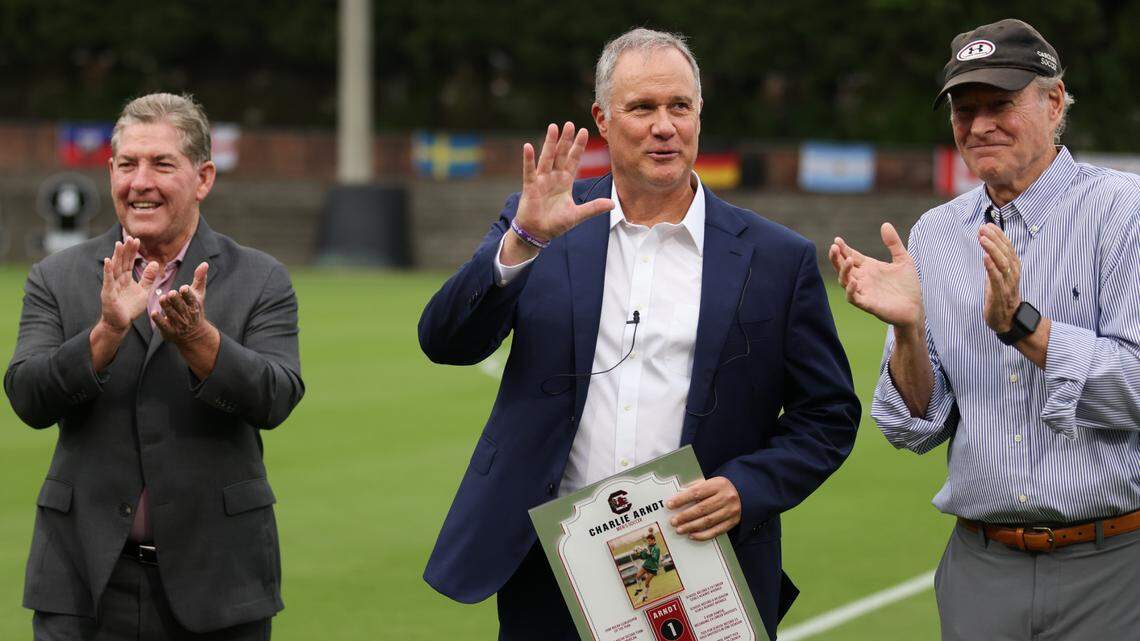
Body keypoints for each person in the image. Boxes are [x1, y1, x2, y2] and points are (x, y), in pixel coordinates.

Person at [420, 28, 859, 640]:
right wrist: (522, 240)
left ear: (700, 114)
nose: (664, 126)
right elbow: (446, 342)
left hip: (700, 563)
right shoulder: (546, 221)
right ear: (602, 118)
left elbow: (829, 414)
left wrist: (746, 487)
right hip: (551, 564)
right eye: (642, 108)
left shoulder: (776, 258)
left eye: (679, 106)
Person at [829, 18, 1140, 640]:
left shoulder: (1123, 210)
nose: (977, 126)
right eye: (963, 110)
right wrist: (910, 334)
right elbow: (914, 427)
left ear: (1054, 103)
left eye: (998, 105)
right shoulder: (937, 234)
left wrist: (1024, 328)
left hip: (1115, 566)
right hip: (980, 565)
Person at [6, 93, 304, 640]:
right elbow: (27, 396)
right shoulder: (56, 276)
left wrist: (198, 339)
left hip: (219, 581)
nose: (140, 181)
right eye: (127, 164)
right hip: (81, 584)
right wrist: (106, 333)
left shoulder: (261, 278)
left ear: (204, 177)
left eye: (162, 164)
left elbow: (277, 397)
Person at [631, 532, 661, 603]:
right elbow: (644, 557)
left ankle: (645, 596)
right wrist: (639, 554)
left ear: (654, 540)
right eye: (648, 541)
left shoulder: (656, 548)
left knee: (646, 583)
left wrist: (649, 554)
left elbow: (655, 558)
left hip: (653, 568)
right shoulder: (648, 547)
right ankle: (639, 588)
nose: (648, 542)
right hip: (646, 565)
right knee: (637, 576)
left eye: (650, 541)